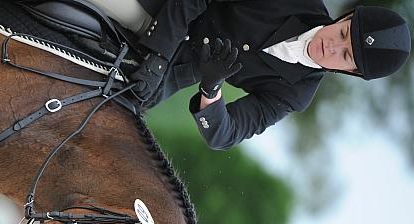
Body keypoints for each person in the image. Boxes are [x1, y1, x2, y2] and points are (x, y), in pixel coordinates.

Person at [89, 0, 411, 150]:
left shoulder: (295, 94)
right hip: (162, 10)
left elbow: (224, 135)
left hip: (171, 74)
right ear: (347, 17)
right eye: (343, 33)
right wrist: (158, 55)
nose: (331, 46)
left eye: (345, 55)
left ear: (351, 71)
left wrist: (212, 88)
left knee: (100, 118)